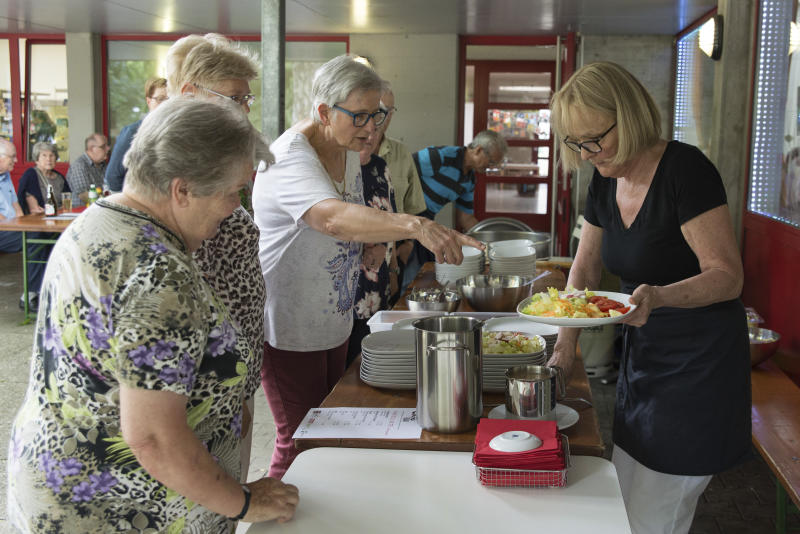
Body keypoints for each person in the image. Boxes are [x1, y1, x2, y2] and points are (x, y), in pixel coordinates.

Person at [7, 97, 299, 533]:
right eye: (230, 192)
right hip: (116, 510)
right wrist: (241, 502)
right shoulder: (158, 273)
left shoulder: (100, 220)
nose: (235, 207)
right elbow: (154, 438)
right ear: (182, 189)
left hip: (60, 484)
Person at [253, 55, 482, 479]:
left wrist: (371, 244)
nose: (372, 128)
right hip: (289, 325)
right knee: (300, 439)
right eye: (359, 116)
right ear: (323, 112)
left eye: (377, 114)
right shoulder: (289, 156)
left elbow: (352, 219)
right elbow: (332, 217)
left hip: (333, 318)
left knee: (329, 426)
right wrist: (417, 225)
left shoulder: (348, 150)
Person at [548, 61, 750, 534]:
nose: (588, 153)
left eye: (596, 139)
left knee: (654, 517)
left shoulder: (686, 171)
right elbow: (585, 265)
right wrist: (564, 346)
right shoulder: (603, 178)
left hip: (699, 366)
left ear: (630, 115)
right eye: (576, 144)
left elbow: (727, 275)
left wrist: (659, 296)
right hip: (643, 359)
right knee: (624, 496)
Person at [164, 32, 265, 484]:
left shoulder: (210, 163)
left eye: (247, 99)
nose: (245, 110)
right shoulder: (174, 181)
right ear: (189, 95)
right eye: (235, 98)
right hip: (200, 399)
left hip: (231, 386)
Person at [404, 129, 508, 287]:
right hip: (405, 218)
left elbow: (466, 218)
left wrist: (487, 245)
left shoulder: (469, 180)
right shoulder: (440, 157)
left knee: (421, 277)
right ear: (478, 150)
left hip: (426, 222)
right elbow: (401, 173)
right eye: (491, 162)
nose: (490, 167)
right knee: (406, 276)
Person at [346, 127, 399, 367]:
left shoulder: (380, 166)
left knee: (374, 356)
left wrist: (394, 268)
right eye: (363, 132)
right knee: (350, 363)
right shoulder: (340, 170)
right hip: (350, 285)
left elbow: (394, 218)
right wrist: (370, 241)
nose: (370, 137)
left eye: (375, 131)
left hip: (380, 280)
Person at [371, 85, 427, 291]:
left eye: (390, 111)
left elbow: (415, 207)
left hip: (396, 253)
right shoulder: (349, 152)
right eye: (380, 109)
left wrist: (407, 248)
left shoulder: (401, 153)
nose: (385, 117)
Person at [0, 139, 49, 310]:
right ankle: (29, 296)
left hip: (11, 226)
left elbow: (16, 206)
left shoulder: (5, 176)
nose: (15, 161)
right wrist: (19, 226)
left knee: (48, 233)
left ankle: (45, 289)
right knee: (35, 236)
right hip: (2, 229)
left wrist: (23, 222)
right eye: (12, 157)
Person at [104, 77, 168, 193]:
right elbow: (113, 177)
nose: (165, 104)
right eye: (160, 99)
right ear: (149, 102)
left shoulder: (174, 132)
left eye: (169, 100)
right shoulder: (132, 132)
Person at [17, 141, 70, 215]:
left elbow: (67, 204)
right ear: (37, 159)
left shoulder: (59, 178)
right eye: (44, 155)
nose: (48, 159)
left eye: (51, 155)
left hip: (60, 217)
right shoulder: (31, 175)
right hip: (39, 220)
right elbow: (34, 210)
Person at [66, 133, 110, 207]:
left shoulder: (103, 165)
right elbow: (84, 195)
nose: (108, 148)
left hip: (100, 210)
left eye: (107, 145)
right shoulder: (79, 166)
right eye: (103, 146)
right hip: (83, 213)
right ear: (92, 149)